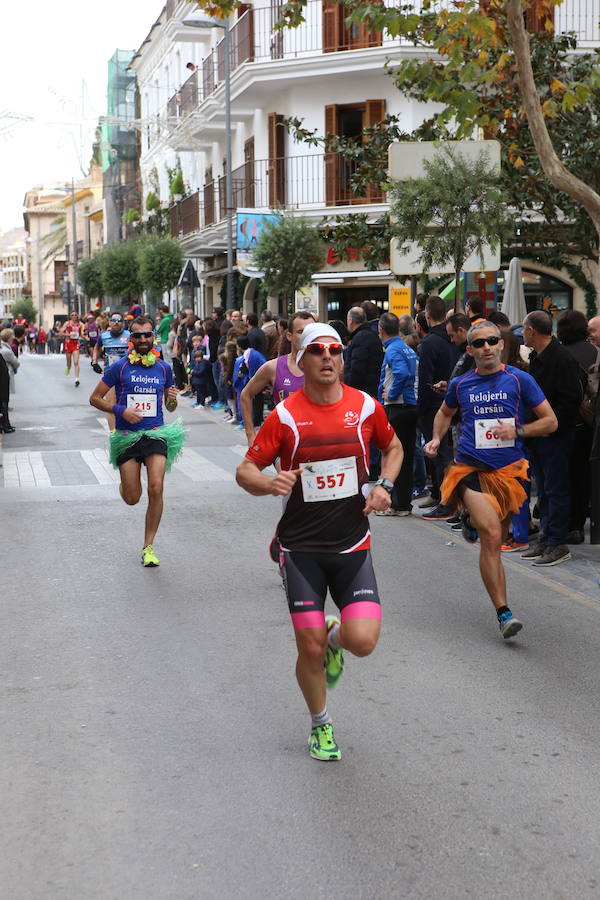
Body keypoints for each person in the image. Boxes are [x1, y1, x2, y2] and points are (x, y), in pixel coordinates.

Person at [236, 322, 403, 760]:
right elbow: (245, 471)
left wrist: (385, 484)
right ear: (302, 359)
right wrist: (269, 483)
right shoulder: (286, 415)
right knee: (306, 647)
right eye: (318, 351)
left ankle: (336, 638)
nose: (327, 358)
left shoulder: (366, 407)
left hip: (352, 545)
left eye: (335, 350)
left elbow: (395, 447)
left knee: (363, 641)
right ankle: (321, 724)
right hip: (301, 549)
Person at [424, 321, 557, 638]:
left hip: (510, 472)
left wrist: (518, 430)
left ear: (501, 345)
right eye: (478, 343)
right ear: (469, 350)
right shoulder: (460, 384)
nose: (486, 347)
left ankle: (471, 519)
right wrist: (435, 438)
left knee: (499, 535)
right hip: (470, 468)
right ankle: (503, 612)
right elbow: (444, 413)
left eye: (491, 341)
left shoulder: (520, 380)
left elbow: (551, 421)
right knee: (493, 535)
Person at [89, 316, 186, 567]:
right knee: (132, 498)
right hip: (127, 437)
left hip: (155, 434)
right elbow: (95, 398)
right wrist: (121, 411)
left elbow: (170, 407)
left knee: (156, 487)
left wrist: (173, 398)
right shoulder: (119, 367)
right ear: (130, 339)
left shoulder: (163, 368)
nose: (143, 339)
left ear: (154, 337)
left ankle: (148, 546)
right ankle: (126, 486)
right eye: (137, 336)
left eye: (147, 335)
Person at [521, 310, 584, 565]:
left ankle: (558, 542)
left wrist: (550, 426)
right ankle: (547, 538)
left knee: (555, 488)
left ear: (533, 331)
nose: (523, 333)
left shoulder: (561, 358)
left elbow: (571, 400)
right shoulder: (538, 356)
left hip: (555, 435)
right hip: (538, 435)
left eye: (525, 329)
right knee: (545, 490)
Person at [240, 311, 316, 447]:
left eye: (310, 331)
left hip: (316, 444)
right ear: (289, 336)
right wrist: (250, 435)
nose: (306, 336)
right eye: (300, 331)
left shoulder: (328, 367)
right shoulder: (273, 367)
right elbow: (246, 394)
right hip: (284, 444)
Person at [557, 309, 597, 544]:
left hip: (567, 423)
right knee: (583, 476)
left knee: (565, 476)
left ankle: (570, 524)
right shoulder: (595, 352)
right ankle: (580, 524)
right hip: (591, 423)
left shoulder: (561, 355)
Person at [417, 296, 460, 518]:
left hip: (434, 404)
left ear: (426, 315)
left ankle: (446, 500)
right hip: (453, 401)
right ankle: (440, 495)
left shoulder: (430, 343)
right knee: (445, 452)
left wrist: (421, 408)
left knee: (438, 452)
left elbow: (425, 378)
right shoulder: (453, 339)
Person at [376, 312, 418, 516]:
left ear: (381, 330)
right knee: (407, 456)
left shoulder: (392, 349)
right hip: (410, 406)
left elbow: (401, 373)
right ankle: (403, 504)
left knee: (394, 455)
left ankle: (395, 504)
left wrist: (391, 395)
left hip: (397, 408)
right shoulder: (406, 347)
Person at [60, 312, 83, 386]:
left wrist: (85, 337)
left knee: (76, 362)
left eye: (75, 315)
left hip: (75, 344)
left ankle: (77, 379)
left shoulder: (80, 324)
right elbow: (61, 333)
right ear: (70, 316)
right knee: (69, 362)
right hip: (68, 344)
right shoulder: (67, 323)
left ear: (77, 316)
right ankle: (68, 367)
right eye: (72, 315)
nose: (74, 316)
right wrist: (69, 334)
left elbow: (81, 334)